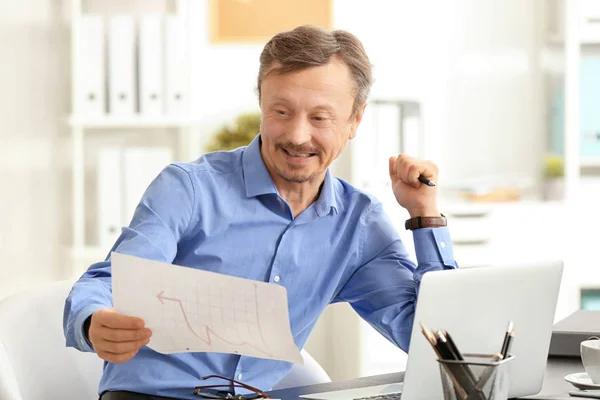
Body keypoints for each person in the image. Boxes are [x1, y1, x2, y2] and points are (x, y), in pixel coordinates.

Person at [63, 24, 458, 400]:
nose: (297, 135)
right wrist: (94, 319)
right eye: (281, 112)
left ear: (355, 121)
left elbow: (437, 345)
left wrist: (425, 216)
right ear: (261, 105)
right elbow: (109, 283)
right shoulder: (189, 188)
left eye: (320, 118)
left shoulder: (359, 224)